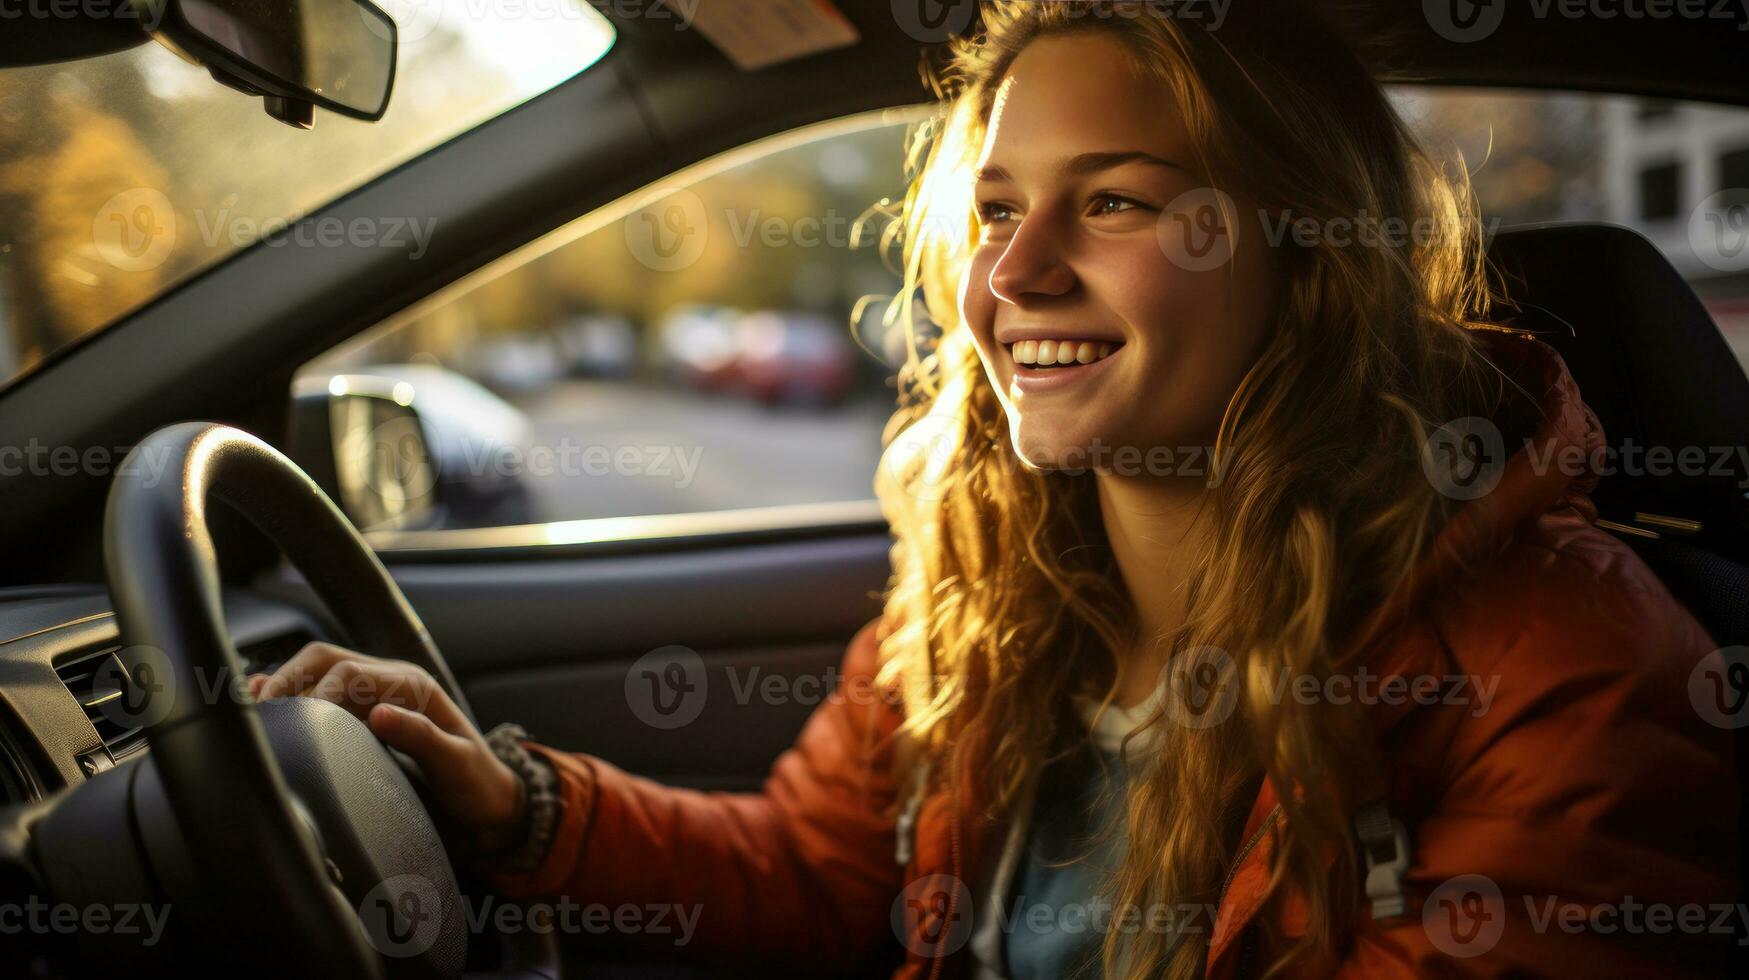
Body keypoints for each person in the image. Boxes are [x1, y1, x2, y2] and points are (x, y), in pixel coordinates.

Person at [250, 2, 1739, 976]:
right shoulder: (989, 582)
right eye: (997, 209)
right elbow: (815, 874)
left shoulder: (1562, 663)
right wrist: (513, 803)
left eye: (1112, 201)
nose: (1015, 276)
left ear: (1302, 251)